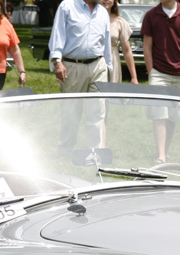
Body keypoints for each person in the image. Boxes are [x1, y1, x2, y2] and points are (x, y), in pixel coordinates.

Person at [49, 0, 113, 153]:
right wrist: (57, 61)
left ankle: (95, 154)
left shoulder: (103, 12)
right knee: (70, 112)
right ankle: (65, 150)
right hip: (72, 65)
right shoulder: (67, 6)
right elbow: (58, 34)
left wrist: (109, 67)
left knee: (97, 112)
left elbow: (106, 43)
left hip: (98, 65)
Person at [142, 0, 180, 162]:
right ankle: (160, 154)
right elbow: (147, 46)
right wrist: (152, 70)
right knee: (159, 113)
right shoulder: (151, 16)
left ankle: (165, 151)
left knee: (174, 115)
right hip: (159, 73)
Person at [102, 0, 138, 83]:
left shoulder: (119, 21)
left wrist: (134, 77)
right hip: (94, 60)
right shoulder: (89, 19)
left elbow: (127, 50)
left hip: (112, 60)